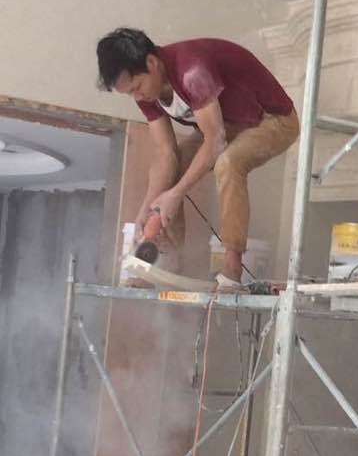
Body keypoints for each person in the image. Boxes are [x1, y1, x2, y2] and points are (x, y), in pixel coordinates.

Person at [96, 29, 299, 287]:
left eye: (136, 87)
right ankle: (168, 263)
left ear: (152, 62)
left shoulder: (192, 71)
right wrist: (146, 210)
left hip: (274, 120)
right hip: (230, 124)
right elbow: (165, 154)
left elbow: (215, 142)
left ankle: (232, 269)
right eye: (129, 93)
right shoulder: (148, 92)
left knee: (228, 162)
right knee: (175, 169)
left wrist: (176, 193)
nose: (137, 97)